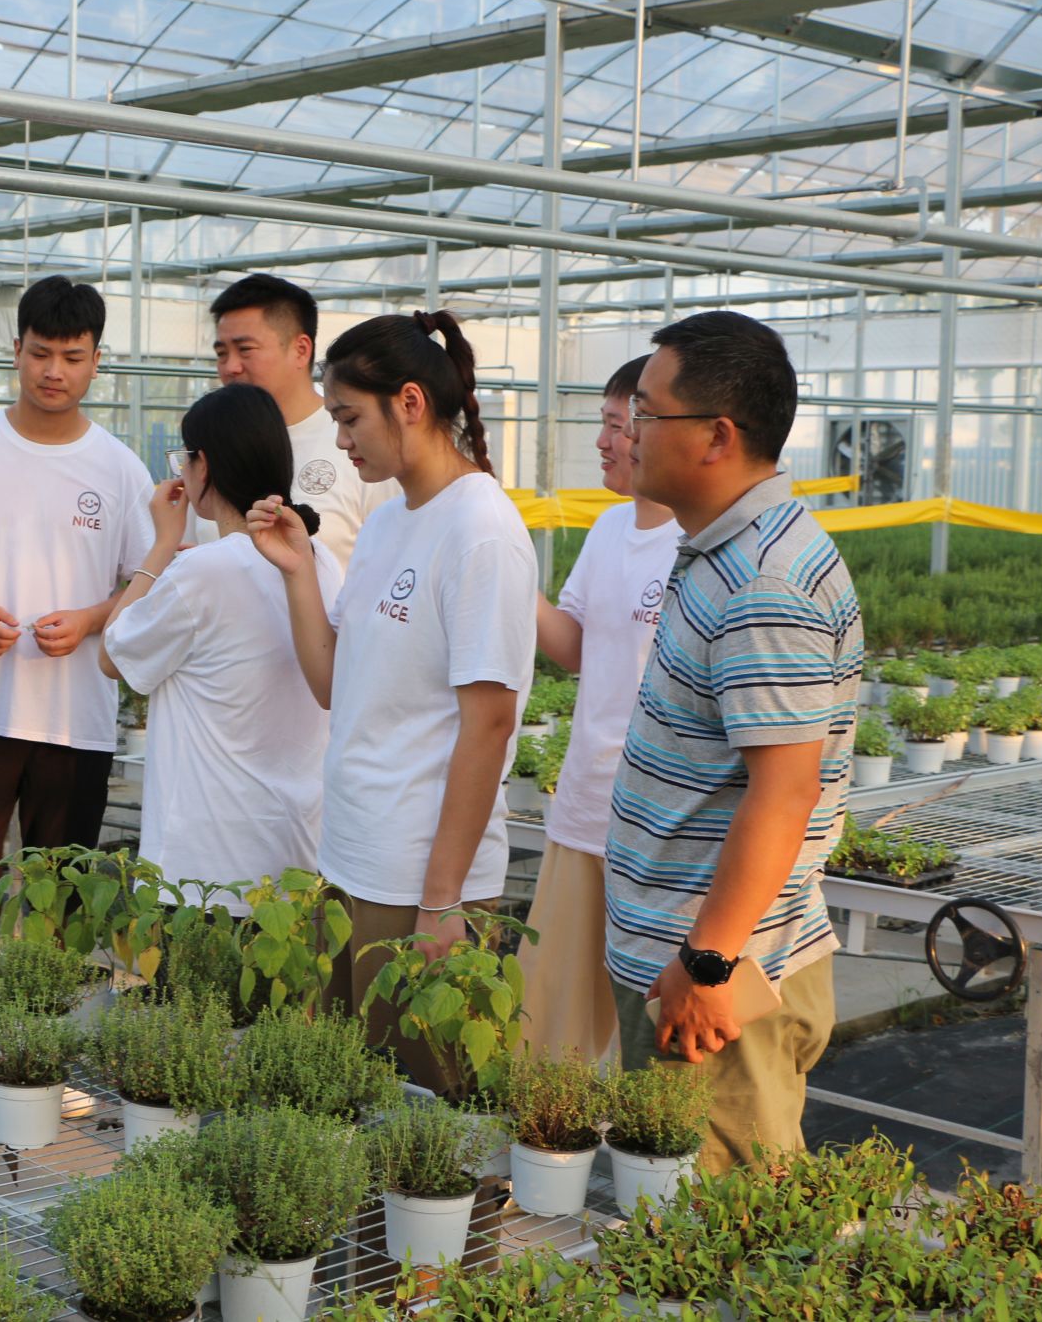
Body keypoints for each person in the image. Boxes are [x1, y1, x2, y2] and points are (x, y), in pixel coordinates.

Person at [248, 311, 537, 1094]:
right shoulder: (386, 525)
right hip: (354, 859)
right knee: (356, 1094)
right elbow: (333, 684)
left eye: (349, 418)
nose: (341, 441)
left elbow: (490, 723)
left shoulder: (480, 529)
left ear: (409, 402)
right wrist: (298, 570)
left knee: (434, 1108)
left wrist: (443, 901)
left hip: (420, 881)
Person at [606, 310, 861, 1175]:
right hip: (691, 961)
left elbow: (784, 793)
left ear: (716, 435)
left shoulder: (762, 582)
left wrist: (708, 963)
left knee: (722, 1220)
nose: (629, 430)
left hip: (711, 988)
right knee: (683, 1210)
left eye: (646, 411)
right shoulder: (726, 550)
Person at [0, 275, 154, 942]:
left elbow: (145, 580)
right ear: (16, 350)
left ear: (96, 361)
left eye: (72, 357)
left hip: (76, 720)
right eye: (41, 353)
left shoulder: (119, 469)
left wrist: (90, 619)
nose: (54, 371)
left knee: (63, 897)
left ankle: (50, 1008)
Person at [99, 384, 343, 903]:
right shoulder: (318, 561)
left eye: (184, 459)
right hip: (298, 854)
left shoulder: (203, 570)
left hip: (204, 870)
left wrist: (162, 546)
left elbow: (111, 657)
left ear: (203, 465)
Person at [517, 355, 682, 1063]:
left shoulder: (692, 545)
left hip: (656, 816)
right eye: (605, 424)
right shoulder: (610, 530)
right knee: (557, 1006)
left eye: (618, 425)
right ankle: (558, 1123)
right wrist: (517, 580)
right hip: (586, 801)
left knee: (644, 1012)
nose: (604, 441)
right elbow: (576, 649)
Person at [202, 274, 398, 565]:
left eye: (245, 350)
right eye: (221, 353)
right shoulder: (210, 447)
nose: (230, 367)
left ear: (300, 350)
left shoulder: (361, 445)